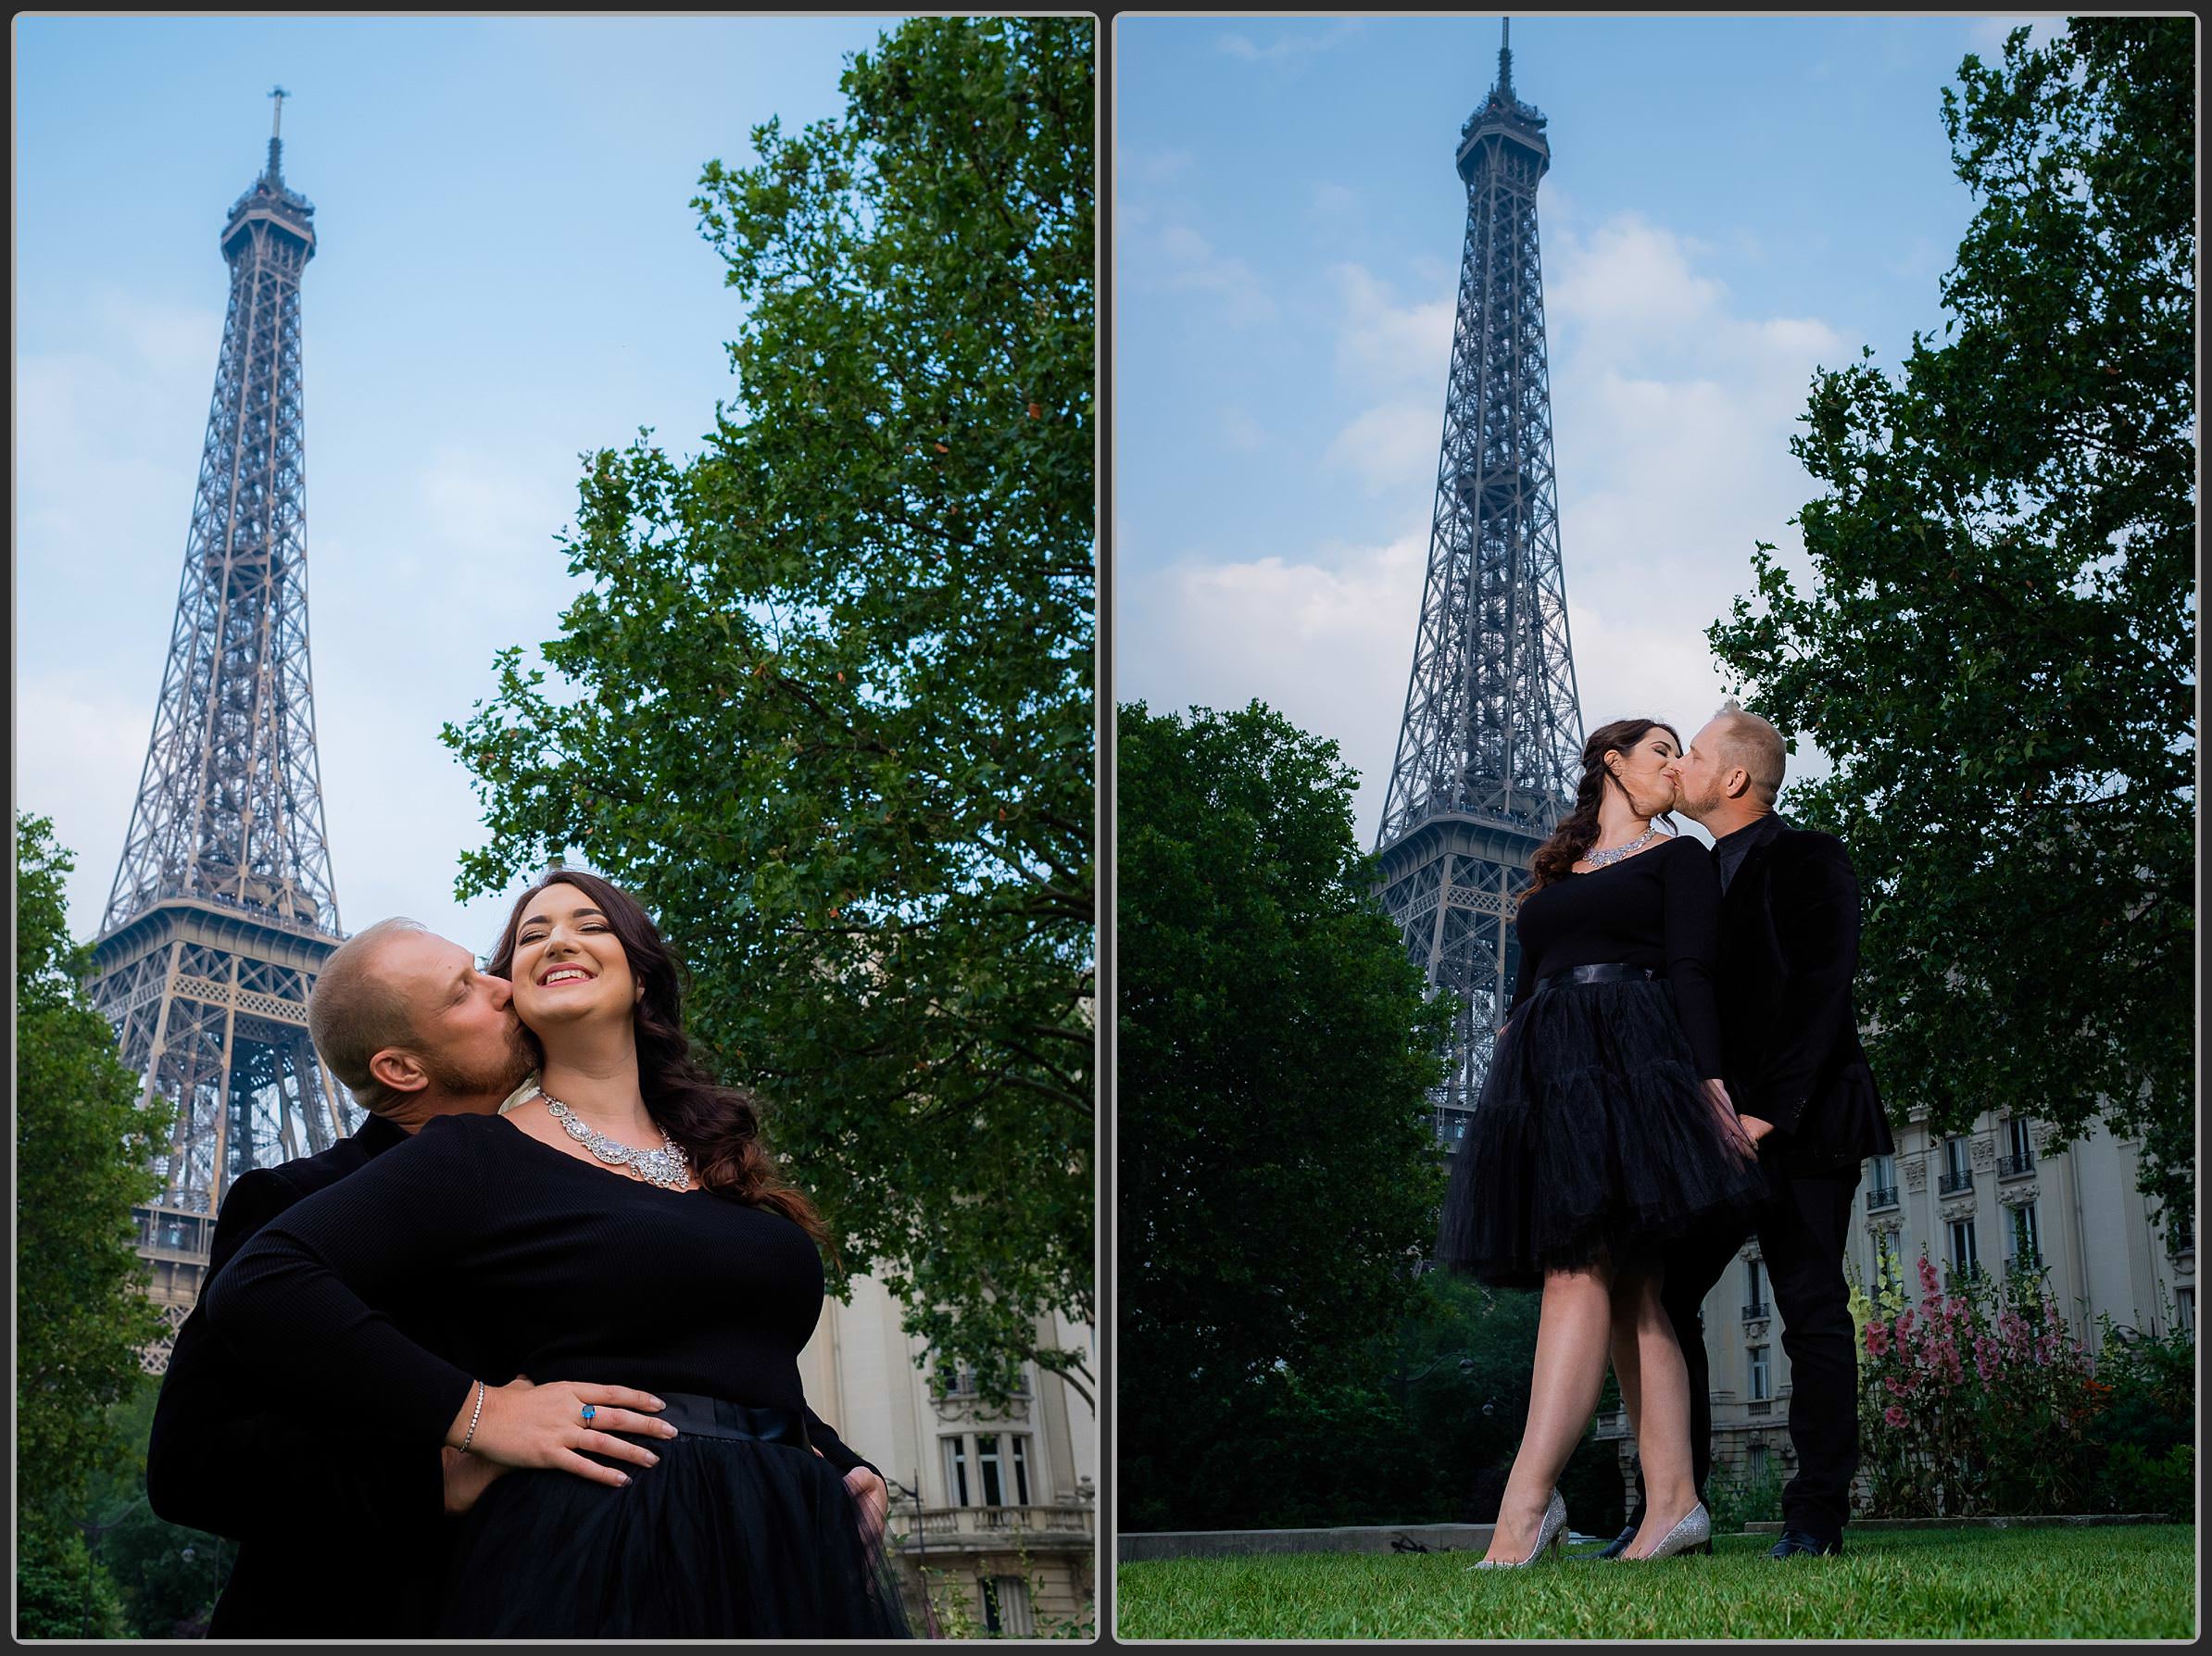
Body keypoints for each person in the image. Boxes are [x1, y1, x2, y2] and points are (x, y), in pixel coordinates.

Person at [200, 876, 909, 1638]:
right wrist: (480, 1413)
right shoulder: (474, 1156)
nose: (553, 945)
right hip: (608, 1542)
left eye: (589, 923)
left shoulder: (718, 1160)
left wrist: (828, 1459)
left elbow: (691, 1337)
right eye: (531, 937)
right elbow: (262, 1286)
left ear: (641, 974)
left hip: (778, 1538)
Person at [1437, 717, 1768, 1566]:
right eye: (1661, 750)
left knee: (1588, 1278)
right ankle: (1675, 1505)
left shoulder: (1677, 859)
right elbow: (1520, 1001)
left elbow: (1694, 971)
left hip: (1634, 1066)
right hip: (1552, 1079)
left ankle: (1526, 1506)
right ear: (1612, 764)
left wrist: (1712, 1082)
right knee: (1628, 1296)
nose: (1675, 766)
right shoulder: (1548, 878)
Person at [1597, 700, 1892, 1562]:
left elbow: (1821, 986)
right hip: (1708, 1132)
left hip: (1800, 1127)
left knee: (1809, 1309)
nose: (1678, 765)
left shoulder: (1809, 856)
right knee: (1663, 1298)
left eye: (1689, 753)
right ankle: (1675, 1507)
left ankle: (1815, 1517)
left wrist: (1770, 1108)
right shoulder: (1681, 869)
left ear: (1732, 778)